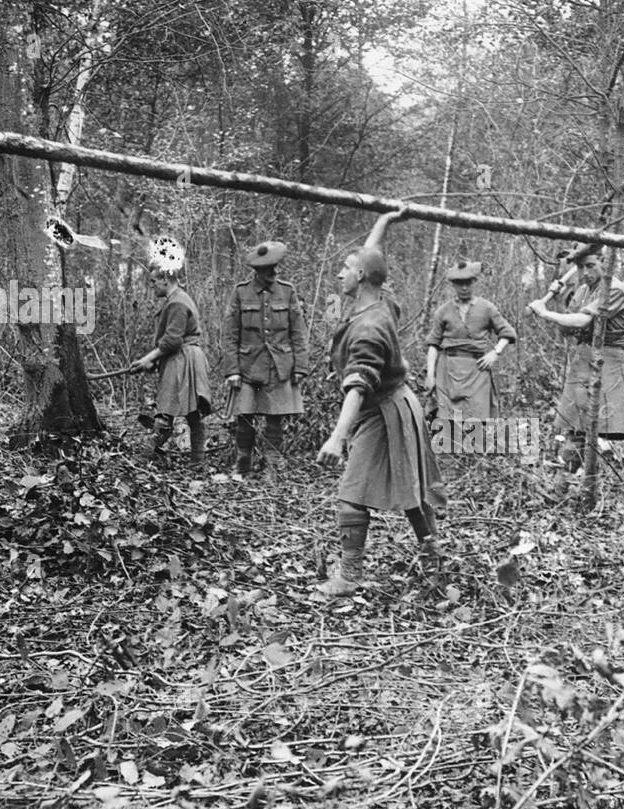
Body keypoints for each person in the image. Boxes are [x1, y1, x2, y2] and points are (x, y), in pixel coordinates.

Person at [315, 212, 446, 596]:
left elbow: (359, 386)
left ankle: (350, 576)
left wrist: (338, 437)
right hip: (393, 405)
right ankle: (433, 556)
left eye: (346, 268)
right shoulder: (380, 300)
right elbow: (373, 253)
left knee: (353, 491)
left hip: (385, 409)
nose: (340, 274)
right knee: (410, 489)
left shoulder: (371, 325)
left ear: (361, 277)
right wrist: (386, 220)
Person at [526, 248, 624, 495]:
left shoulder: (615, 289)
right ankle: (559, 494)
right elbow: (568, 328)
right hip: (584, 362)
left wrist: (545, 313)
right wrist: (556, 300)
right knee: (574, 432)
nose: (584, 272)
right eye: (580, 267)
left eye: (590, 266)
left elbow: (583, 321)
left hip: (611, 361)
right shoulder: (581, 291)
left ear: (604, 263)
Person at [224, 240, 308, 480]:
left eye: (276, 267)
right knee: (245, 417)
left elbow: (298, 332)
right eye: (270, 269)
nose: (275, 273)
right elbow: (230, 334)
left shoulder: (287, 291)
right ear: (257, 271)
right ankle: (243, 466)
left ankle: (272, 467)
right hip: (249, 368)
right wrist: (232, 370)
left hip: (280, 366)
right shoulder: (241, 292)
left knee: (275, 420)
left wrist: (300, 366)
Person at [130, 246, 212, 472]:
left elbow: (171, 341)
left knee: (166, 410)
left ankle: (143, 458)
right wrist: (152, 361)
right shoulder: (178, 299)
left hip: (182, 359)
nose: (152, 286)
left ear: (166, 279)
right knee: (193, 413)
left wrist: (148, 358)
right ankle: (198, 462)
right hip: (186, 357)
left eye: (154, 281)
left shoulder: (176, 302)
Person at [424, 261, 517, 432]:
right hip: (448, 371)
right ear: (453, 285)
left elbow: (508, 333)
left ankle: (474, 457)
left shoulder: (487, 308)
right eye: (459, 283)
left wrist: (495, 353)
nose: (464, 288)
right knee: (447, 422)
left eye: (468, 282)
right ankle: (449, 457)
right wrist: (430, 375)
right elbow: (433, 344)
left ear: (475, 282)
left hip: (477, 371)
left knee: (477, 420)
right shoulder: (443, 311)